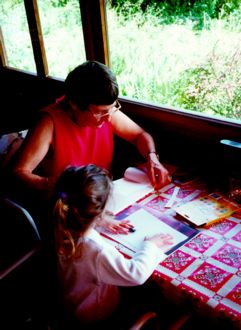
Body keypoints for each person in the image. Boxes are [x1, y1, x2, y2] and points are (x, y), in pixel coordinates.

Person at [12, 60, 170, 196]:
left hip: (103, 199)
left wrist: (152, 159)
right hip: (66, 206)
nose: (109, 117)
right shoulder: (49, 122)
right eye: (100, 112)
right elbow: (19, 173)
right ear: (74, 104)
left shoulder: (107, 114)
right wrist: (56, 185)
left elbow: (140, 135)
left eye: (113, 108)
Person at [53, 164, 173, 329]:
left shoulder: (61, 221)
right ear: (99, 210)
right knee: (155, 298)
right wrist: (151, 245)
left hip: (71, 301)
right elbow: (136, 274)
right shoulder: (96, 250)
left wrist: (101, 220)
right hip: (96, 314)